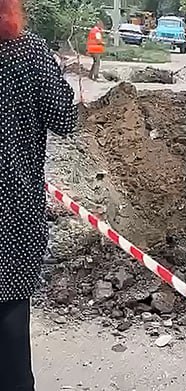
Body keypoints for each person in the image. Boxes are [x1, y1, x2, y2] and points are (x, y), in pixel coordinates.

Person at [0, 0, 78, 389]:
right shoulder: (28, 51)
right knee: (10, 331)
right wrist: (58, 74)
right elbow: (65, 119)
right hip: (12, 213)